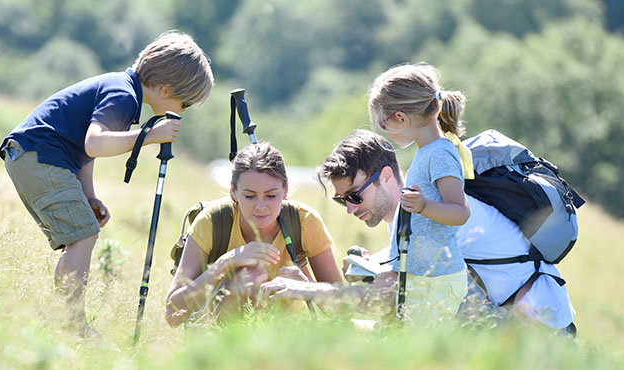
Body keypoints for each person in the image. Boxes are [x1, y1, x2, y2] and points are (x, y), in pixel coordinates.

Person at [0, 31, 214, 335]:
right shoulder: (123, 95)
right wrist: (150, 136)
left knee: (81, 234)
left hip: (33, 154)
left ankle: (62, 316)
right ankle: (71, 321)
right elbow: (95, 144)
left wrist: (89, 195)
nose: (183, 112)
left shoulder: (122, 88)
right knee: (84, 236)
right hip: (38, 155)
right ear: (166, 90)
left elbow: (84, 152)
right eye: (186, 104)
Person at [261, 130, 575, 335]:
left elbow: (391, 297)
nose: (350, 209)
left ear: (386, 176)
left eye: (355, 195)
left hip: (541, 339)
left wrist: (310, 292)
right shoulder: (407, 217)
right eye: (342, 200)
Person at [165, 142, 343, 328]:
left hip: (288, 341)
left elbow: (342, 307)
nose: (260, 206)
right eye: (249, 196)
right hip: (217, 341)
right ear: (234, 191)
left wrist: (306, 286)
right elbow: (172, 315)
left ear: (286, 190)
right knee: (251, 276)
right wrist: (224, 264)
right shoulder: (211, 221)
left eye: (271, 196)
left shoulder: (304, 221)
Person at [366, 63, 473, 321]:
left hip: (438, 280)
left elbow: (460, 212)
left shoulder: (440, 153)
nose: (386, 133)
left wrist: (424, 206)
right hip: (424, 277)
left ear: (401, 118)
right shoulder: (428, 152)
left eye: (384, 125)